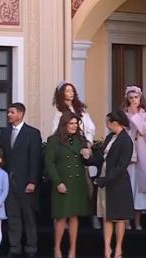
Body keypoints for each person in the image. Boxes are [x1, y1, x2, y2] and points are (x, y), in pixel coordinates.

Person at [50, 81, 98, 229]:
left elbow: (90, 127)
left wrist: (87, 144)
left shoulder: (81, 110)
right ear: (62, 93)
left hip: (81, 149)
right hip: (66, 150)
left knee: (88, 186)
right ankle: (62, 218)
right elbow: (55, 132)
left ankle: (93, 215)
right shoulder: (59, 112)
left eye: (72, 90)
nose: (70, 93)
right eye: (67, 90)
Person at [44, 112, 92, 258]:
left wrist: (87, 155)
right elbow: (49, 163)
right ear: (64, 124)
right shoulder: (53, 140)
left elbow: (87, 162)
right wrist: (58, 182)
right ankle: (57, 249)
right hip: (62, 182)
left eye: (76, 124)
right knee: (61, 217)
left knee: (74, 216)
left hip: (77, 183)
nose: (74, 126)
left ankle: (72, 250)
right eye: (71, 123)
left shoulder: (81, 139)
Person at [89, 110, 135, 258]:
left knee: (119, 217)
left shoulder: (126, 140)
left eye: (108, 122)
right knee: (107, 216)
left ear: (115, 123)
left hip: (118, 183)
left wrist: (105, 180)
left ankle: (118, 248)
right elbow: (101, 157)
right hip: (105, 179)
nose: (107, 125)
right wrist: (87, 158)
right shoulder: (110, 137)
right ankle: (107, 248)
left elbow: (121, 166)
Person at [0, 102, 42, 258]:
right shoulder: (4, 132)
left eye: (11, 112)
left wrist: (32, 181)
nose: (8, 115)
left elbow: (35, 159)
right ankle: (15, 247)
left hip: (26, 182)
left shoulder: (32, 133)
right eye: (8, 112)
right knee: (13, 216)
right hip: (9, 182)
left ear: (20, 114)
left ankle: (31, 248)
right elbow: (3, 157)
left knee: (29, 216)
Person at [121, 85, 146, 229]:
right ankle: (127, 219)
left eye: (136, 97)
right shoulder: (123, 113)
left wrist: (135, 114)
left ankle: (138, 220)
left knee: (139, 186)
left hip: (141, 151)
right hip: (127, 151)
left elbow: (143, 129)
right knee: (128, 184)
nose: (134, 100)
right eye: (131, 98)